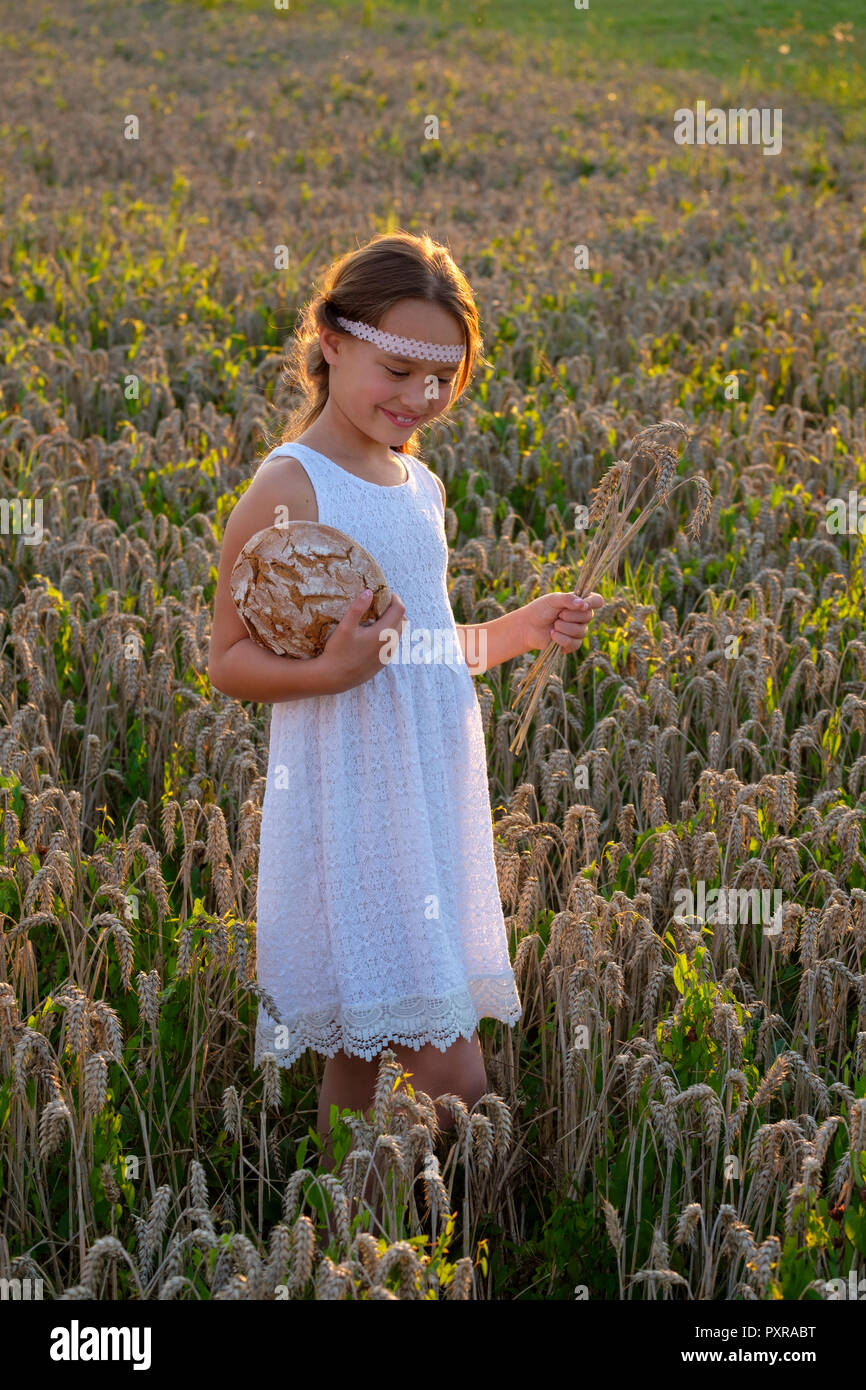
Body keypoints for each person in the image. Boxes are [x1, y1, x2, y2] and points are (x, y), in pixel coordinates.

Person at [208, 231, 603, 1227]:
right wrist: (330, 669)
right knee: (452, 1080)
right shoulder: (290, 484)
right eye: (397, 370)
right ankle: (382, 1248)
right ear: (331, 341)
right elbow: (224, 658)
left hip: (427, 790)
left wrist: (517, 628)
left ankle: (338, 1250)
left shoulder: (417, 484)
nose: (419, 400)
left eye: (443, 380)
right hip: (350, 799)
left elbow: (424, 645)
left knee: (358, 1057)